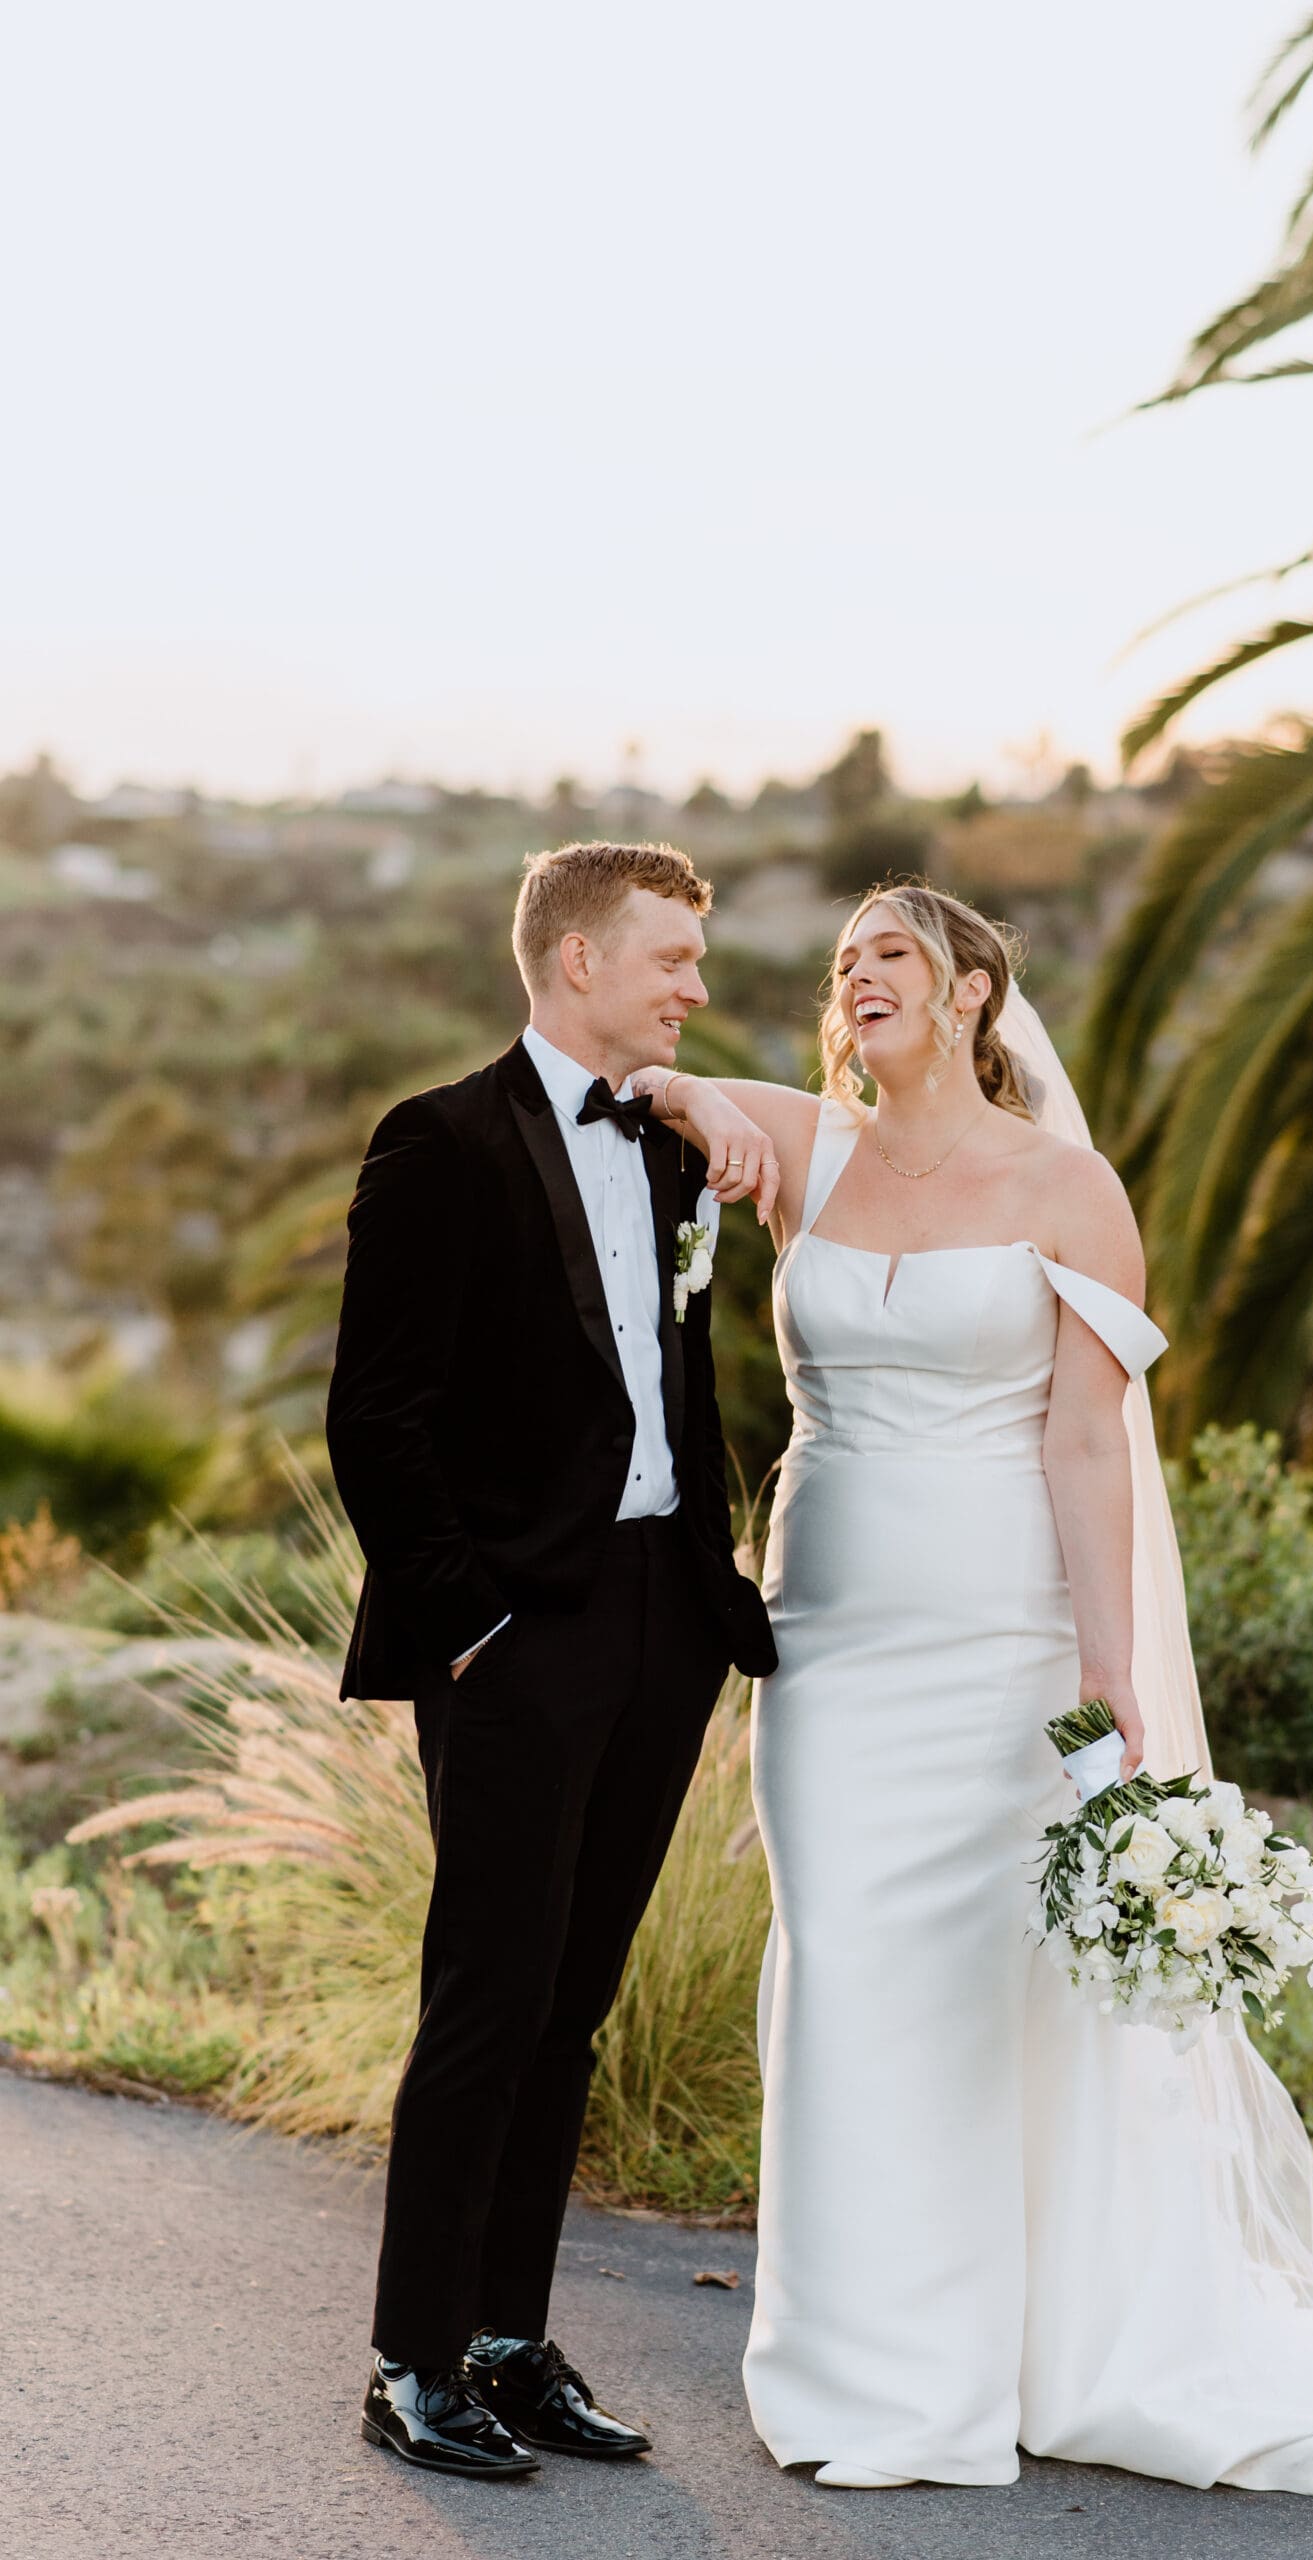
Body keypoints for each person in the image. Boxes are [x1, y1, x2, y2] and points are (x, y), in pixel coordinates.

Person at [631, 879, 1313, 2517]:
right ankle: (860, 2372)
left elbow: (1083, 1439)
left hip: (999, 1635)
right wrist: (698, 1098)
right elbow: (646, 1083)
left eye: (892, 954)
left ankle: (997, 2362)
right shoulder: (808, 1144)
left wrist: (1108, 1666)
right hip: (829, 1640)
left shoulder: (1067, 1187)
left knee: (985, 1991)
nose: (858, 976)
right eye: (845, 961)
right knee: (840, 1964)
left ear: (972, 991)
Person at [325, 840, 778, 2478]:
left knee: (575, 2005)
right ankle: (411, 2360)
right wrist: (474, 1624)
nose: (694, 989)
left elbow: (674, 1381)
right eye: (671, 960)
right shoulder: (438, 1142)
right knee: (488, 1999)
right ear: (578, 958)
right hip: (518, 1638)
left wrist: (705, 1589)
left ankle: (508, 2343)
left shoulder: (667, 1145)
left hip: (663, 1621)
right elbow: (375, 1417)